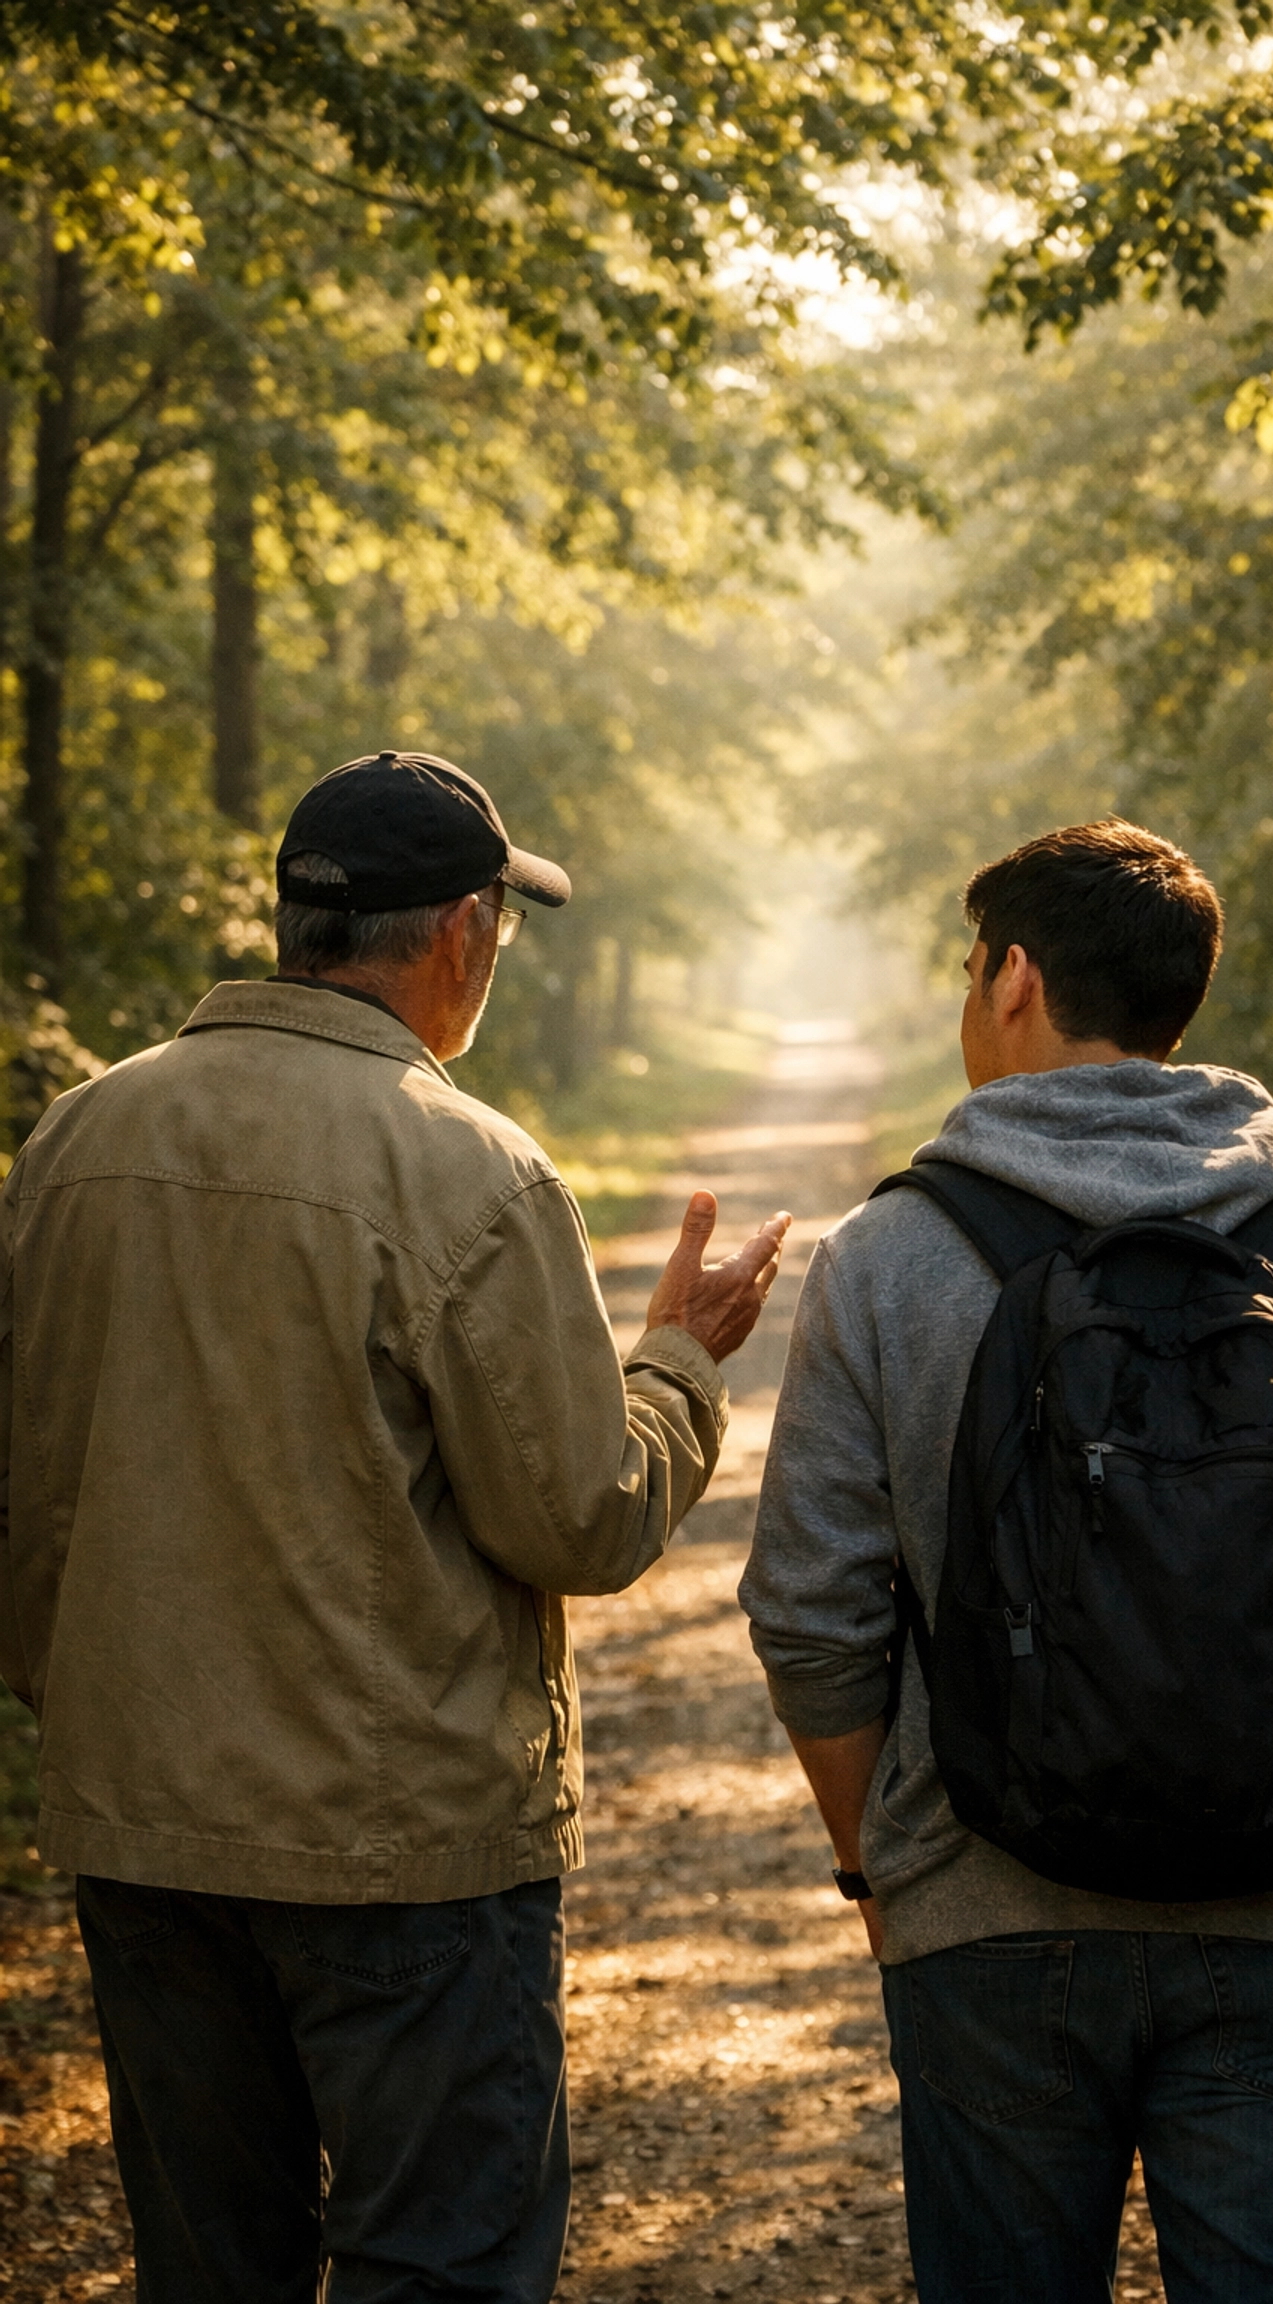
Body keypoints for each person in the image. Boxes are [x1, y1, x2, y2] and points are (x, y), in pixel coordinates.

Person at [0, 749, 790, 2304]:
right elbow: (581, 1519)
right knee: (440, 2269)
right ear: (463, 933)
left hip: (144, 1836)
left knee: (207, 2275)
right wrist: (679, 1365)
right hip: (402, 1860)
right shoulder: (467, 1169)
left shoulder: (72, 1144)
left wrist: (83, 1712)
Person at [740, 819, 1273, 2304]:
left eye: (971, 972)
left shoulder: (891, 1258)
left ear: (1014, 978)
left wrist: (880, 1867)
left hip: (984, 1918)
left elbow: (810, 1617)